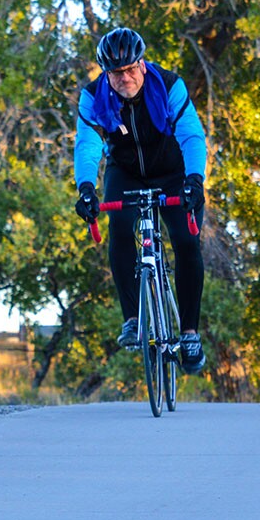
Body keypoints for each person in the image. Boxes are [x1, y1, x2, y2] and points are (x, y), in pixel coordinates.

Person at [72, 27, 207, 374]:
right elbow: (87, 145)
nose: (126, 77)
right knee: (119, 229)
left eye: (132, 68)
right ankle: (133, 318)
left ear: (142, 64)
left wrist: (194, 180)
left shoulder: (169, 84)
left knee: (186, 240)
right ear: (106, 73)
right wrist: (85, 187)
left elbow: (191, 134)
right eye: (117, 73)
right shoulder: (93, 96)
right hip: (125, 170)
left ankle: (190, 333)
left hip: (173, 170)